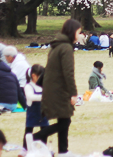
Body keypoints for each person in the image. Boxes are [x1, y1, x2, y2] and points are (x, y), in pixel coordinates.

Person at [34, 19, 80, 155]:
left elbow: (48, 68)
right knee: (65, 121)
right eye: (79, 32)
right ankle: (37, 137)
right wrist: (73, 93)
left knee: (64, 118)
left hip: (52, 89)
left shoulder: (56, 46)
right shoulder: (66, 48)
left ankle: (63, 150)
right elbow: (68, 72)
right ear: (72, 32)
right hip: (59, 90)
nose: (80, 35)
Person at [24, 65, 47, 149]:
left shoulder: (43, 86)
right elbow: (30, 97)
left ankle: (43, 148)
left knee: (45, 130)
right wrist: (44, 98)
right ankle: (25, 149)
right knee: (29, 130)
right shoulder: (28, 86)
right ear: (33, 76)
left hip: (43, 112)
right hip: (33, 113)